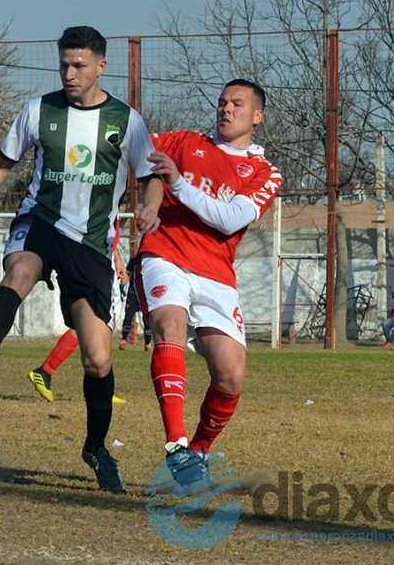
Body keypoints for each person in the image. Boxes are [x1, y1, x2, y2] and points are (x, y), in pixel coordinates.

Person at [0, 26, 162, 492]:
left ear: (102, 66)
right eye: (64, 64)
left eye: (79, 65)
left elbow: (152, 173)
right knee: (20, 270)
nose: (69, 73)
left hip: (91, 244)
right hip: (40, 221)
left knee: (98, 360)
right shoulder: (40, 110)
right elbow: (4, 163)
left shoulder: (127, 120)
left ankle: (96, 449)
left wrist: (152, 206)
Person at [136, 79, 282, 487]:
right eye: (221, 102)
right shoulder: (183, 140)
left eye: (237, 104)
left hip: (217, 273)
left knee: (230, 375)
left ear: (257, 116)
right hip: (164, 254)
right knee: (170, 326)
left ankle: (198, 450)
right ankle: (175, 444)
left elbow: (230, 218)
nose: (226, 109)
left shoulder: (264, 172)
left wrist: (178, 183)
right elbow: (138, 151)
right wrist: (150, 198)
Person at [28, 246, 129, 404]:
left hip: (101, 257)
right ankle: (45, 371)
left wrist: (117, 259)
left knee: (99, 324)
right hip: (98, 259)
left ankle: (102, 387)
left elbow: (111, 230)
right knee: (99, 322)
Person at [118, 255, 152, 351]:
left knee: (147, 319)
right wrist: (121, 286)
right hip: (132, 294)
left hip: (145, 294)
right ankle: (124, 340)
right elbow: (127, 274)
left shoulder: (149, 259)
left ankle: (148, 343)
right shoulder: (134, 260)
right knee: (128, 317)